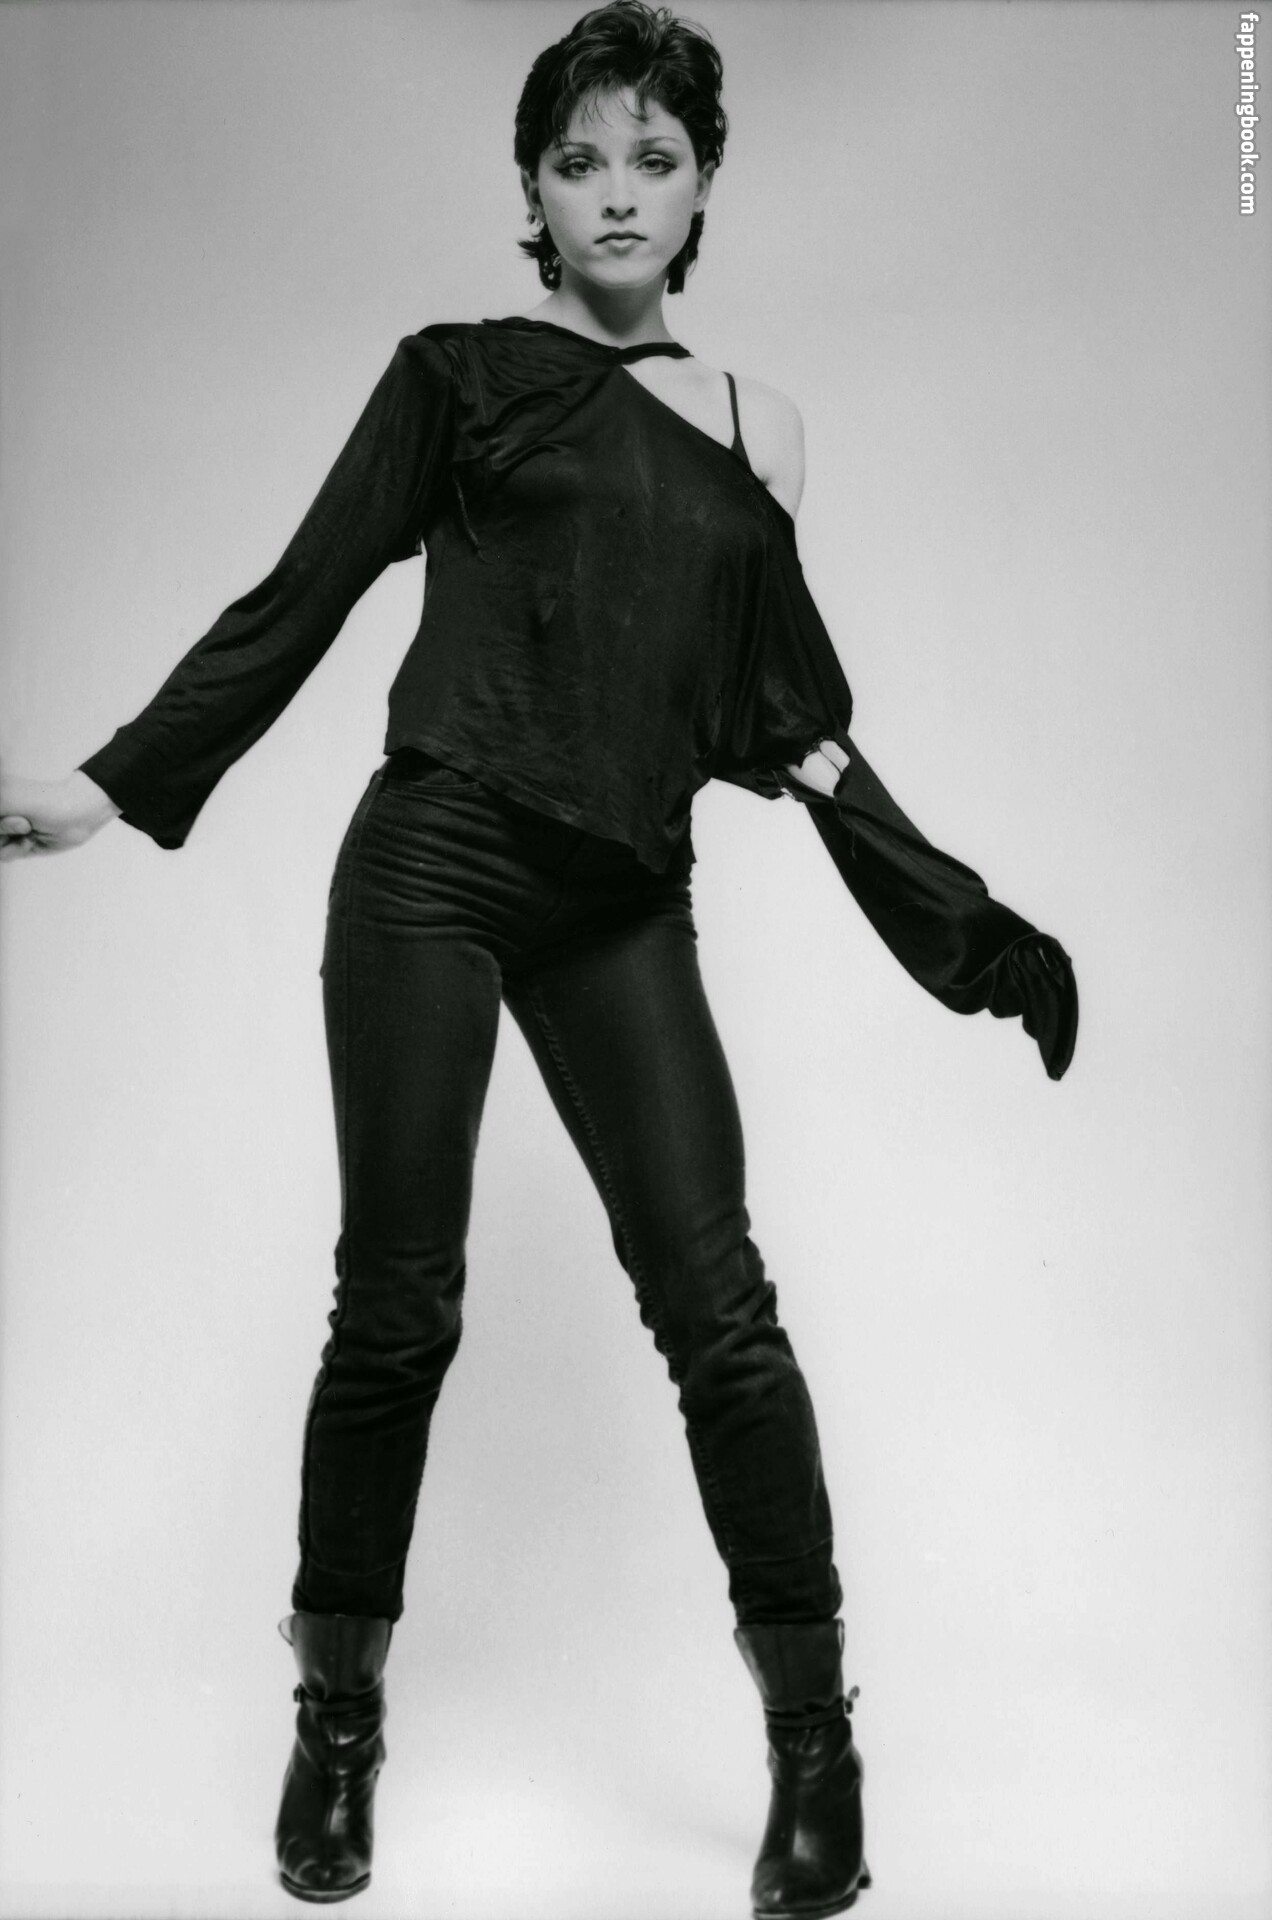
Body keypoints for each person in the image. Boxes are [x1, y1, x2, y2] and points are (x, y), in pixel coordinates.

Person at [0, 4, 1076, 1914]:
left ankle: (816, 1745)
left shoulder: (758, 431)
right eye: (580, 161)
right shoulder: (461, 374)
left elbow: (788, 723)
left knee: (721, 1311)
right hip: (433, 862)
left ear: (706, 186)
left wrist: (968, 926)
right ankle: (338, 1725)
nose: (618, 194)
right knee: (398, 1303)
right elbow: (301, 593)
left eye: (655, 159)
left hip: (619, 898)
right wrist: (109, 783)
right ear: (532, 187)